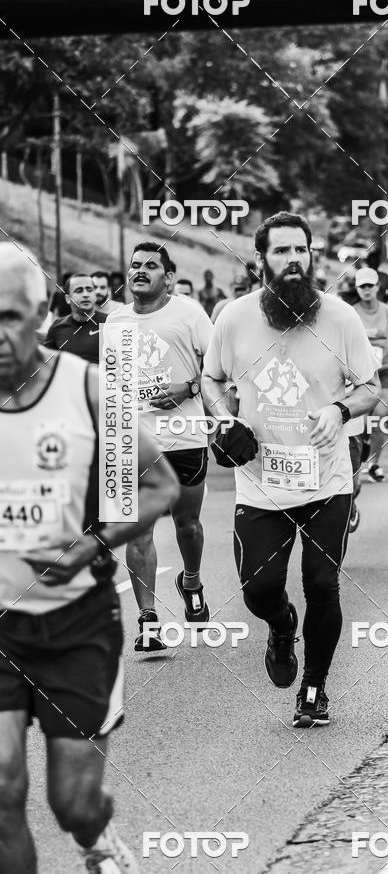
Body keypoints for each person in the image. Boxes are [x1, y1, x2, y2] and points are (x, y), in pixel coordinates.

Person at [0, 242, 179, 873]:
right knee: (2, 794)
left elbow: (160, 484)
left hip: (77, 622)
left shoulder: (86, 388)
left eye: (9, 318)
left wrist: (93, 544)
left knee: (71, 802)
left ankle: (94, 837)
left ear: (39, 315)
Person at [202, 212, 379, 727]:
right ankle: (282, 627)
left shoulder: (340, 318)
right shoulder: (233, 318)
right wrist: (224, 417)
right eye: (281, 251)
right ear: (261, 260)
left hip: (326, 477)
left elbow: (370, 388)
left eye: (300, 250)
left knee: (323, 583)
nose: (294, 260)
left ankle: (315, 688)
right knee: (258, 589)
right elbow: (211, 380)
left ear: (311, 255)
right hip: (260, 480)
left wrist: (339, 410)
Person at [107, 242, 214, 651]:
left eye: (151, 266)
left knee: (187, 525)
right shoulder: (115, 323)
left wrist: (187, 388)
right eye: (135, 265)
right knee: (139, 531)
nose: (140, 271)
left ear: (168, 277)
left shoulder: (188, 314)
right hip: (135, 440)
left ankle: (191, 580)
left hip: (184, 437)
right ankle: (148, 621)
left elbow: (218, 368)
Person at [354, 267, 388, 482]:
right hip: (361, 375)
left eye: (369, 286)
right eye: (362, 286)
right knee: (362, 421)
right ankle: (364, 443)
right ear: (357, 288)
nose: (366, 290)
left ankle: (374, 464)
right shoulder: (351, 313)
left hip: (385, 372)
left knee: (379, 418)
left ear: (377, 287)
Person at [44, 273, 107, 365]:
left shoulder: (110, 324)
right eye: (79, 290)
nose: (85, 294)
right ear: (68, 299)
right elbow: (46, 366)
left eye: (89, 290)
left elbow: (126, 370)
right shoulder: (57, 327)